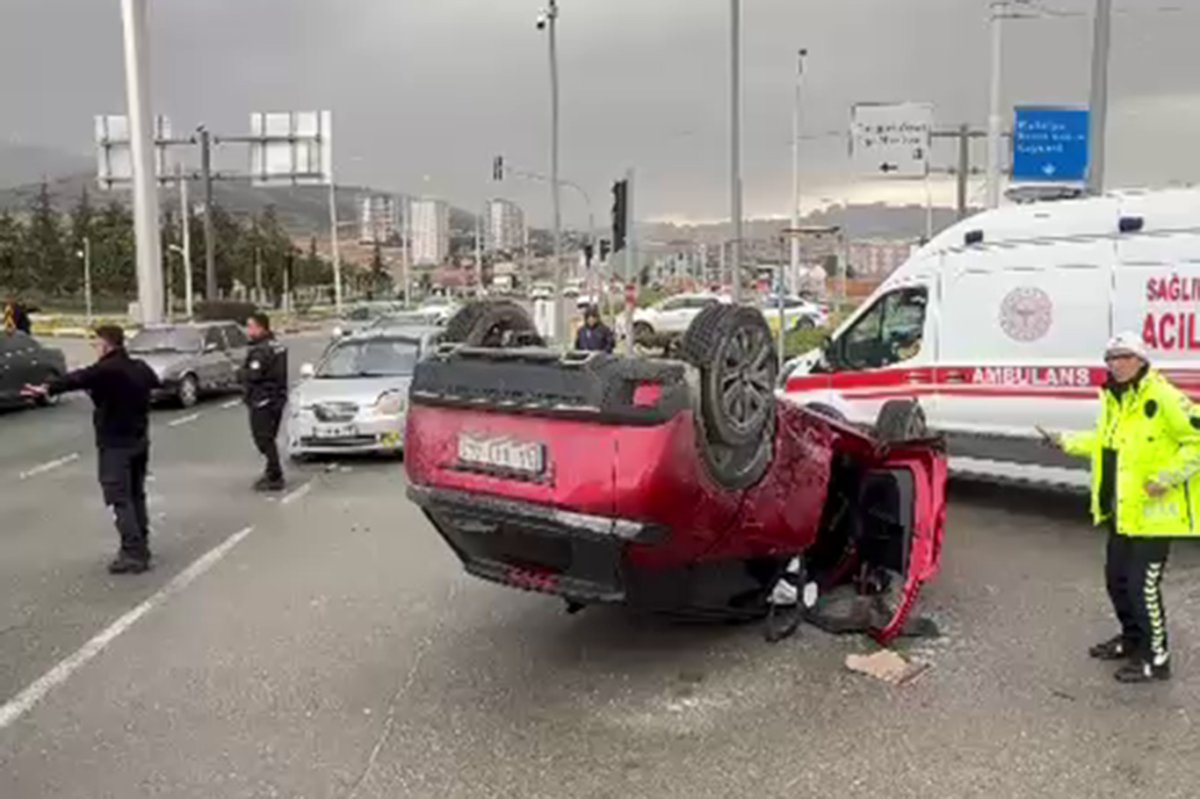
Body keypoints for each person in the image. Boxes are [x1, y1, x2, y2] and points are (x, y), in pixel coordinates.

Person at [1045, 332, 1200, 683]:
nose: (1116, 364)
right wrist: (1065, 442)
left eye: (1124, 357)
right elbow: (1104, 444)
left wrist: (1168, 477)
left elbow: (1197, 440)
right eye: (1111, 358)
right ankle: (1132, 641)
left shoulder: (1163, 397)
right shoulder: (1117, 400)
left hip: (1155, 515)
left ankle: (1156, 660)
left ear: (1141, 360)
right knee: (1116, 581)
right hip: (1123, 511)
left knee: (1141, 588)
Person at [22, 325, 160, 574]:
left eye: (96, 343)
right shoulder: (138, 367)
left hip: (114, 444)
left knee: (119, 497)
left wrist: (47, 388)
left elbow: (77, 378)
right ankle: (142, 544)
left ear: (107, 344)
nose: (94, 348)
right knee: (136, 494)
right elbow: (154, 382)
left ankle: (133, 553)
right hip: (139, 439)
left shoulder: (107, 369)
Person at [241, 311, 289, 491]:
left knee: (263, 439)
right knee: (270, 437)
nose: (248, 330)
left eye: (250, 326)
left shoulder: (260, 350)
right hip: (277, 398)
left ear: (260, 327)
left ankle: (275, 476)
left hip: (262, 400)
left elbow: (254, 374)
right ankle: (271, 471)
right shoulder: (277, 345)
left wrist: (240, 373)